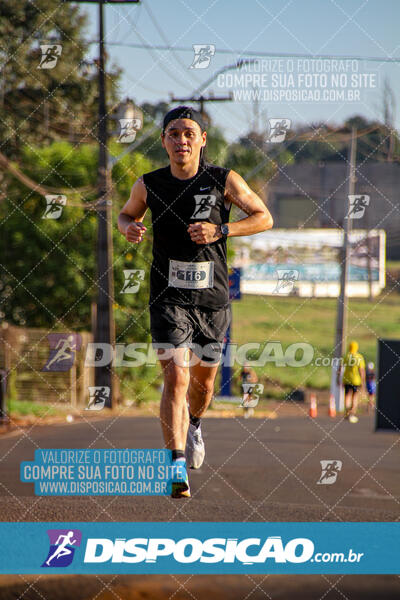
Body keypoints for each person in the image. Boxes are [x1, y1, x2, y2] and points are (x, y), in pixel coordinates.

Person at [118, 106, 273, 497]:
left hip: (212, 299)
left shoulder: (223, 180)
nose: (181, 140)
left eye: (189, 133)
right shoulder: (148, 184)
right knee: (176, 375)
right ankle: (174, 466)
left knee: (202, 385)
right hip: (168, 296)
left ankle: (196, 427)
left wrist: (222, 229)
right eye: (173, 133)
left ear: (202, 140)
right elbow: (125, 214)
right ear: (164, 141)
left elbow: (263, 217)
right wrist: (129, 227)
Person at [340, 340, 366, 424]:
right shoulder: (359, 357)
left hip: (346, 379)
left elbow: (340, 368)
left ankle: (347, 412)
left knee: (347, 396)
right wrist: (363, 381)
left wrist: (338, 378)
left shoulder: (346, 356)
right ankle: (353, 413)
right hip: (356, 380)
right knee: (355, 397)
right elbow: (361, 370)